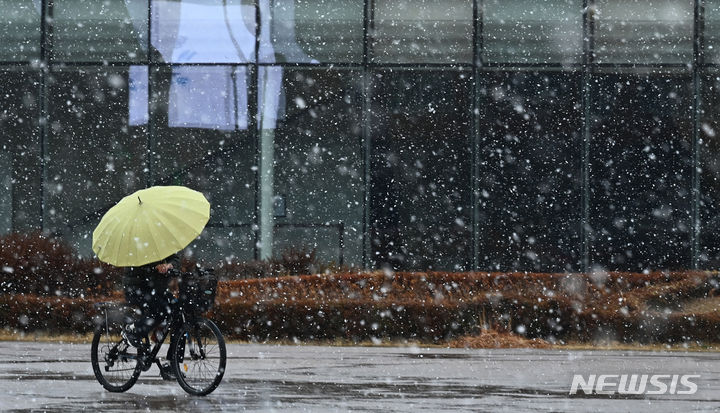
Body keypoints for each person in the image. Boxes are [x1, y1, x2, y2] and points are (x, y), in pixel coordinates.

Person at [122, 252, 180, 379]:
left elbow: (175, 258)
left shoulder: (162, 239)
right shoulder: (136, 240)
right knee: (161, 311)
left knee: (178, 312)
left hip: (157, 288)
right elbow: (134, 267)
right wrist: (154, 268)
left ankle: (173, 363)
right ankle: (132, 331)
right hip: (136, 288)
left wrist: (171, 265)